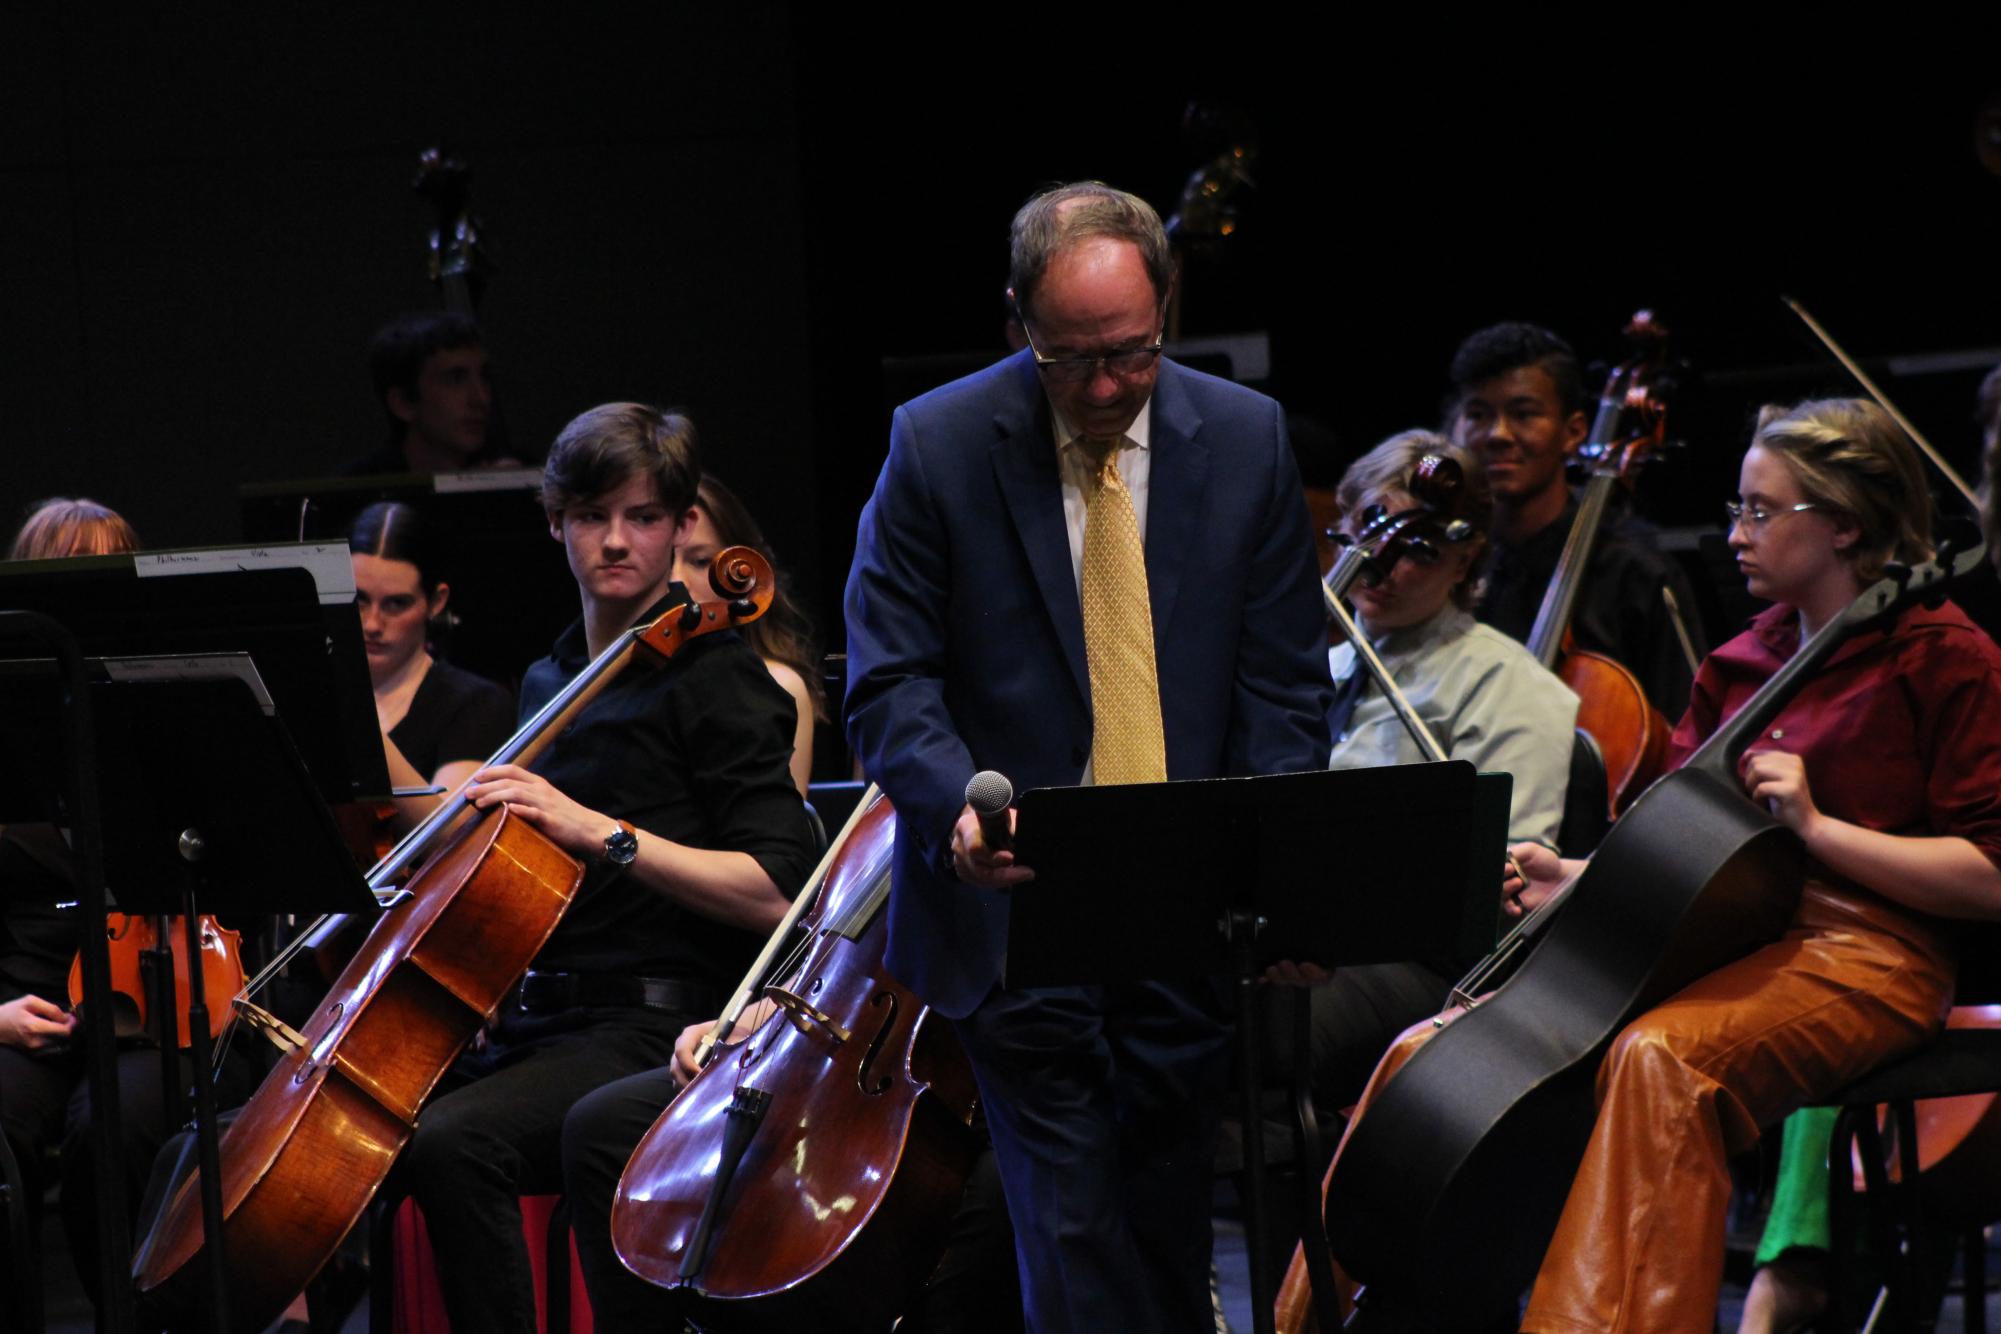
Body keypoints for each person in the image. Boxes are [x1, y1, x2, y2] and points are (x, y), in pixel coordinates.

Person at [1339, 397, 2001, 1333]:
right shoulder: (1742, 662)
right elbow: (1681, 847)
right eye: (1737, 507)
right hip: (1726, 934)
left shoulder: (1946, 658)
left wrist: (1819, 829)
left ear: (1845, 523)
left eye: (1761, 511)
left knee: (1662, 1064)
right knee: (1441, 1048)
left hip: (1870, 955)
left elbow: (1990, 874)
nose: (1733, 533)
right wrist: (1578, 878)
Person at [841, 181, 1331, 1332]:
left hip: (1187, 892)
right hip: (1013, 893)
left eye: (1133, 355)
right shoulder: (939, 441)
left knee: (1164, 1216)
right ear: (1019, 322)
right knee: (1068, 1216)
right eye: (1072, 361)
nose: (1106, 389)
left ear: (1165, 311)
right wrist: (957, 800)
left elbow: (1281, 690)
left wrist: (1282, 876)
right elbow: (888, 679)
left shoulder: (1247, 437)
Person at [393, 403, 816, 1334]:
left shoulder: (718, 679)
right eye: (591, 516)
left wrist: (600, 831)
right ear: (555, 523)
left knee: (456, 1144)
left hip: (652, 1020)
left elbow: (781, 893)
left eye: (643, 517)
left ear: (678, 528)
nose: (616, 540)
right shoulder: (551, 681)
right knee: (368, 1134)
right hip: (546, 1017)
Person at [0, 498, 255, 1312]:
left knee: (115, 1125)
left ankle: (134, 1320)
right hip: (24, 996)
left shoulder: (169, 703)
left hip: (157, 997)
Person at [1280, 430, 1578, 1115]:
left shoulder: (1510, 684)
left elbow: (1509, 887)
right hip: (1299, 943)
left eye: (1416, 550)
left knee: (1232, 1036)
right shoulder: (1313, 671)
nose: (1376, 568)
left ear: (1465, 557)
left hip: (1422, 966)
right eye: (1360, 537)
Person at [1446, 321, 1705, 717]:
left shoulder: (1636, 573)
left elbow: (1691, 736)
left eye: (1523, 414)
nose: (1497, 434)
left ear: (1574, 432)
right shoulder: (1448, 568)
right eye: (1478, 414)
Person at [348, 501, 515, 829]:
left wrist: (356, 722)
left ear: (436, 602)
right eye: (359, 601)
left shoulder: (475, 703)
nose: (372, 623)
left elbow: (450, 835)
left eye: (396, 604)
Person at [670, 475, 828, 796]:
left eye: (700, 561)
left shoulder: (776, 684)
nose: (676, 580)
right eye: (664, 561)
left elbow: (778, 839)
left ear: (741, 571)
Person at [343, 310, 524, 474]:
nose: (481, 399)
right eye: (455, 379)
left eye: (484, 378)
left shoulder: (521, 473)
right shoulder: (356, 492)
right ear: (402, 403)